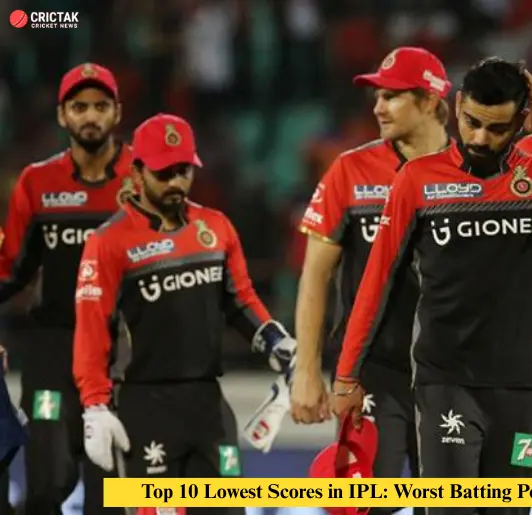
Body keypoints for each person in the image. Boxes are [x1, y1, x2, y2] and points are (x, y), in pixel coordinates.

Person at [332, 57, 532, 515]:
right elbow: (377, 281)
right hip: (446, 381)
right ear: (458, 104)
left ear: (522, 120)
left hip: (524, 385)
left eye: (498, 128)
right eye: (472, 123)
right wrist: (347, 375)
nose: (481, 138)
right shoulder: (418, 181)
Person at [72, 113, 296, 514]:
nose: (176, 182)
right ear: (137, 171)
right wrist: (95, 405)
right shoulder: (108, 243)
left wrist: (277, 343)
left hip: (208, 404)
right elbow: (92, 331)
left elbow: (240, 300)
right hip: (145, 407)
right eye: (164, 173)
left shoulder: (216, 227)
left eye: (184, 171)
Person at [291, 46, 451, 504]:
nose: (378, 107)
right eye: (377, 96)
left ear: (430, 100)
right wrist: (306, 371)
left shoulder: (469, 172)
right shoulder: (350, 170)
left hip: (451, 373)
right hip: (371, 372)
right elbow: (314, 275)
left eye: (392, 96)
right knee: (363, 505)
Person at [0, 62, 134, 514]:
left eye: (100, 106)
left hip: (120, 355)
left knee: (110, 500)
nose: (90, 116)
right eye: (79, 107)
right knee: (45, 485)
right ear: (62, 115)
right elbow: (10, 270)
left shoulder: (142, 179)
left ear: (117, 112)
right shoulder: (37, 183)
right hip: (52, 352)